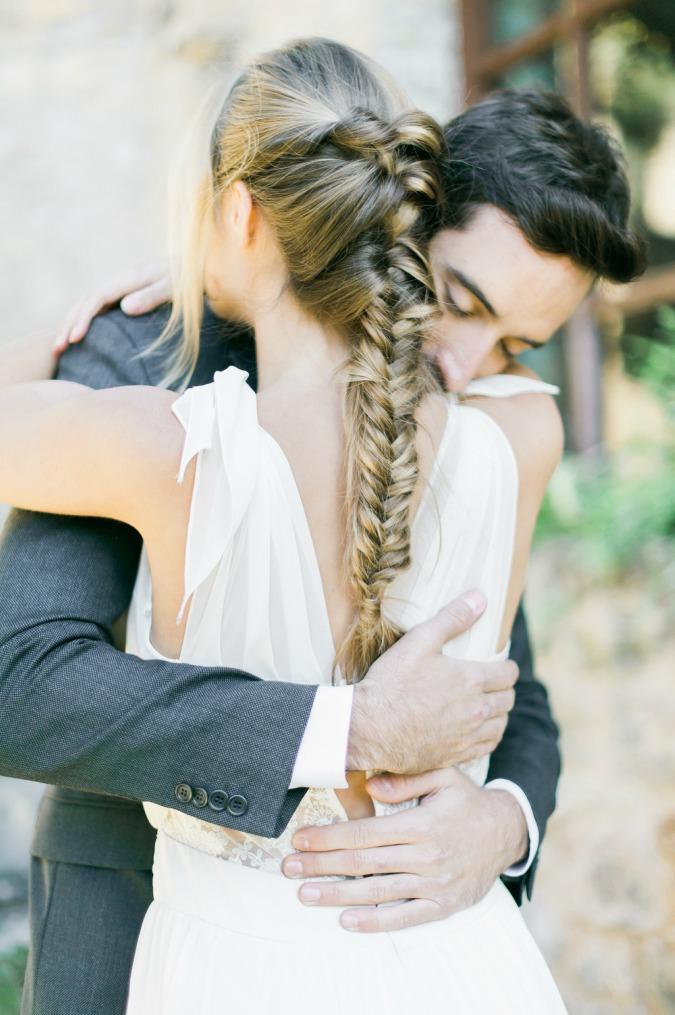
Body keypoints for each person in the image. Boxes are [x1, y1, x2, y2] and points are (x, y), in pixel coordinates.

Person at [0, 58, 643, 1015]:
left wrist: (501, 825)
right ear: (403, 211)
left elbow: (512, 691)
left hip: (409, 940)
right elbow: (29, 683)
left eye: (514, 346)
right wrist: (342, 729)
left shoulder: (490, 434)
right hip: (138, 916)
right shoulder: (143, 357)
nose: (465, 368)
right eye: (458, 300)